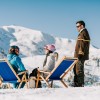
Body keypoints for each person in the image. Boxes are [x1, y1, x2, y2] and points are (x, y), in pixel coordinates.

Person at [74, 20, 90, 87]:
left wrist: (80, 53)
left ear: (82, 26)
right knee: (76, 69)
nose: (77, 28)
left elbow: (83, 44)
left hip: (80, 55)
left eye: (78, 26)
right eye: (76, 26)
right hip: (79, 55)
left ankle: (79, 84)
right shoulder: (82, 33)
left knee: (79, 69)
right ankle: (77, 83)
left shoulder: (84, 32)